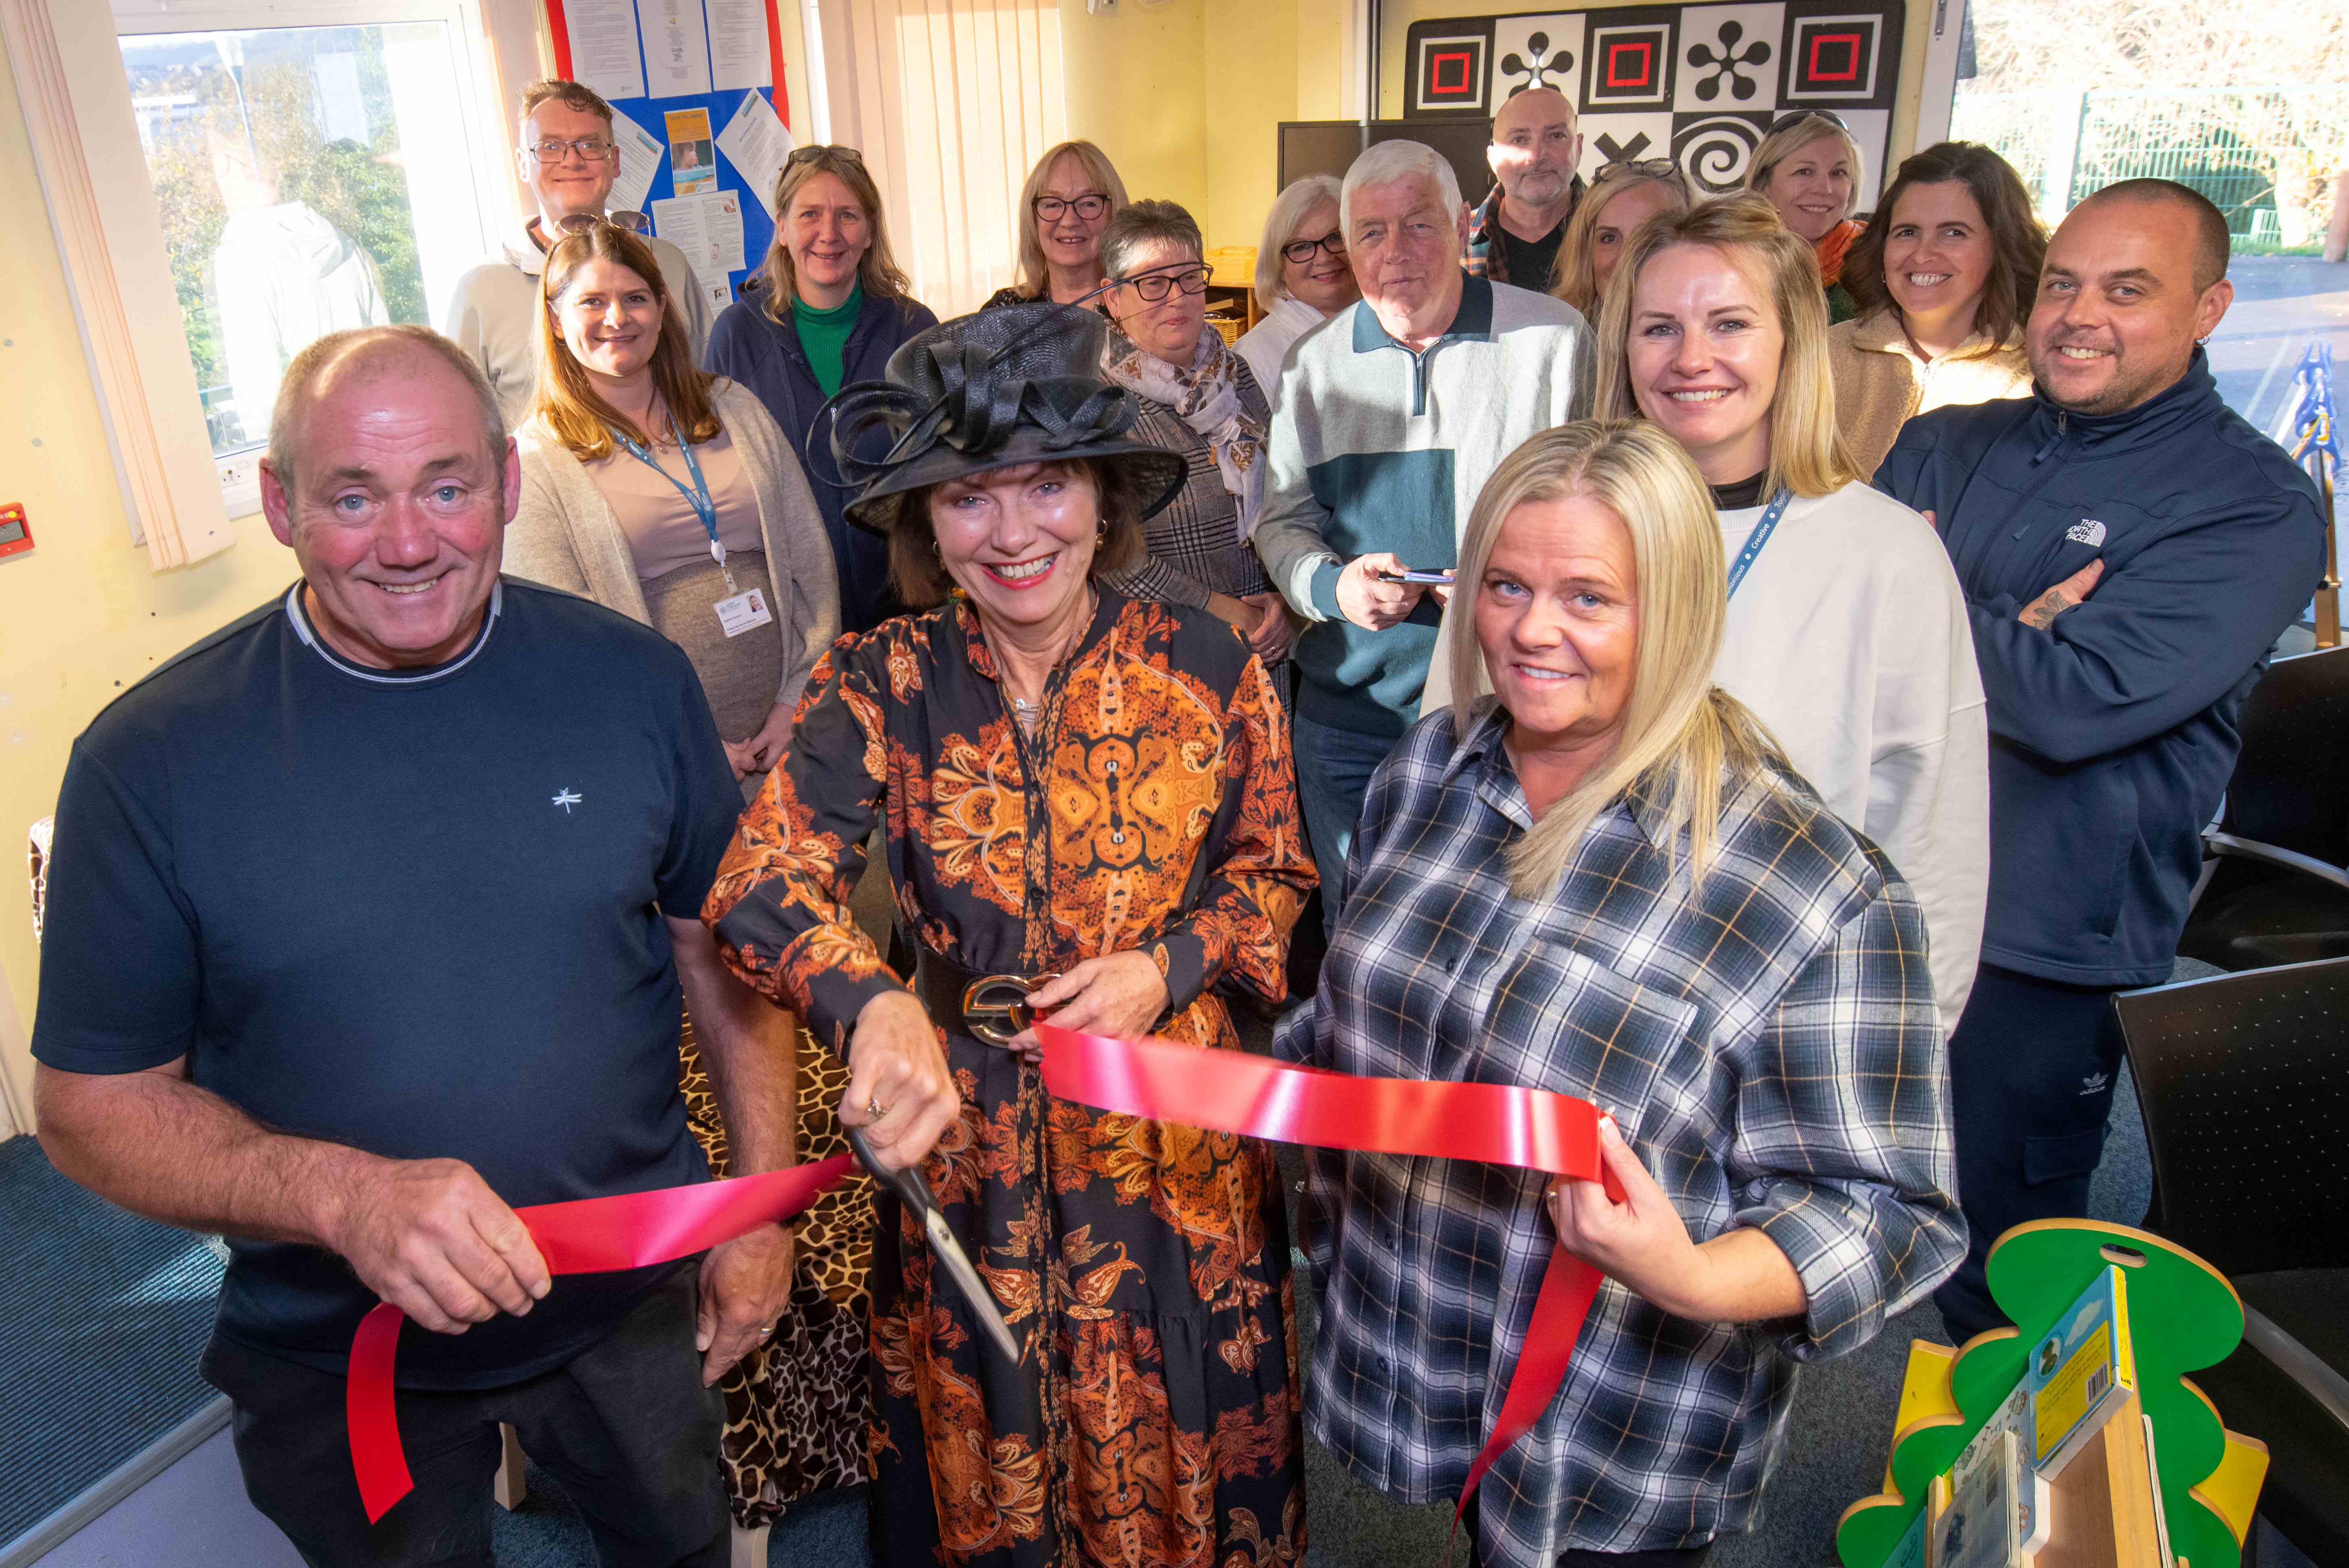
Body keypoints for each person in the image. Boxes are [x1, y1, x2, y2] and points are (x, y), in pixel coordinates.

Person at [30, 325, 794, 1568]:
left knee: (679, 1547)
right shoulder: (151, 761)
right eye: (352, 496)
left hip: (627, 1301)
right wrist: (343, 1195)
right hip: (337, 1345)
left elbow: (721, 950)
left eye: (446, 486)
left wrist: (759, 1209)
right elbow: (86, 1107)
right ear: (279, 503)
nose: (407, 542)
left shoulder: (633, 683)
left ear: (503, 480)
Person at [1279, 418, 1960, 1568]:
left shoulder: (1809, 886)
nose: (1530, 631)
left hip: (1613, 1418)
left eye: (1589, 598)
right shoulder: (1426, 768)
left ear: (1680, 612)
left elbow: (1890, 1214)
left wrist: (1686, 1273)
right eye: (1503, 584)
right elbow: (1358, 1017)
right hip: (1416, 1331)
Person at [702, 303, 1316, 1567]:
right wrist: (871, 1001)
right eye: (970, 498)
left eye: (1044, 487)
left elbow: (1276, 880)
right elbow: (757, 885)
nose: (1015, 532)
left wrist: (1168, 964)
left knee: (1180, 1437)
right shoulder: (882, 680)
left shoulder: (1209, 664)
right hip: (966, 1144)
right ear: (927, 524)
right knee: (988, 1449)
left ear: (1100, 497)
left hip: (1168, 1143)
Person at [1874, 179, 2328, 1341]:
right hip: (1873, 897)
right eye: (2065, 284)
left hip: (2041, 937)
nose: (2080, 315)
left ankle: (2025, 1525)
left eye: (2129, 291)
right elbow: (1834, 636)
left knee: (2004, 1273)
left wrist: (1920, 596)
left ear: (2209, 307)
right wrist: (1997, 630)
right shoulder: (1941, 442)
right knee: (1827, 1205)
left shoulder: (2255, 504)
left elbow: (2080, 704)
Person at [1597, 192, 1987, 1038]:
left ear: (1793, 343)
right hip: (1565, 992)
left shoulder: (1885, 555)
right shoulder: (1556, 526)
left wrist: (1912, 1041)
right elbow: (1455, 756)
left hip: (1775, 1012)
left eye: (1731, 324)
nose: (1692, 358)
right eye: (1659, 327)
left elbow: (1932, 836)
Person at [1256, 138, 1593, 943]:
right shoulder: (1312, 365)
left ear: (1461, 225)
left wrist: (1505, 581)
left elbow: (1599, 518)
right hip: (1349, 718)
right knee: (1362, 936)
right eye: (1370, 233)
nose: (1395, 253)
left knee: (1500, 936)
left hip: (1506, 716)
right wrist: (1332, 588)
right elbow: (1281, 520)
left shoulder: (1554, 341)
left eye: (1418, 224)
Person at [508, 221, 838, 788]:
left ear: (662, 308)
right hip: (659, 761)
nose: (618, 318)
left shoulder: (731, 406)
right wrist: (683, 742)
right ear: (557, 322)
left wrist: (797, 699)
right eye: (592, 302)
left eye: (635, 298)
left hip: (790, 739)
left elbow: (811, 558)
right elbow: (559, 641)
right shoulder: (539, 458)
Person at [705, 144, 940, 635]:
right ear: (783, 228)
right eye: (810, 214)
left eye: (848, 215)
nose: (829, 234)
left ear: (870, 230)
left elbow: (942, 470)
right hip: (790, 621)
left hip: (906, 610)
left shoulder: (914, 327)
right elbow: (719, 483)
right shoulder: (736, 335)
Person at [444, 79, 714, 427]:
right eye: (551, 146)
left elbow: (707, 384)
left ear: (614, 161)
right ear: (524, 164)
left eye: (589, 144)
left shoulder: (668, 265)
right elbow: (461, 428)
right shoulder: (481, 290)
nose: (572, 161)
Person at [1096, 198, 1295, 668]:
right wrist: (1227, 614)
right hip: (1163, 654)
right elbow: (1112, 555)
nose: (1177, 297)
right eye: (1152, 283)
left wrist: (1286, 604)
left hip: (1271, 643)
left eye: (1189, 277)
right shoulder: (1098, 402)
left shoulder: (1237, 374)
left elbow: (1288, 497)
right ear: (1112, 296)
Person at [1830, 142, 2044, 477]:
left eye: (1953, 233)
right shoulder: (1821, 355)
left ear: (2001, 246)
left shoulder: (2040, 372)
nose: (1922, 254)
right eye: (1907, 232)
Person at [205, 116, 389, 446]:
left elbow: (258, 393)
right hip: (371, 441)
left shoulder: (239, 259)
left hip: (310, 462)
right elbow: (386, 355)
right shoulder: (346, 247)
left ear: (224, 164)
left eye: (211, 161)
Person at [1233, 173, 1359, 393]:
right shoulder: (1255, 357)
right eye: (1301, 247)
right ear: (1278, 266)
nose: (1324, 258)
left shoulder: (1393, 328)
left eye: (1336, 238)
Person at [1745, 110, 1868, 323]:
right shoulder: (1730, 261)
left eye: (1838, 173)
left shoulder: (1875, 265)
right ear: (1764, 185)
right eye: (1804, 172)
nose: (1825, 189)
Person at [980, 140, 1129, 309]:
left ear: (1114, 212)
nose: (1069, 221)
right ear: (1033, 218)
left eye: (1088, 203)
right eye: (1052, 205)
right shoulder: (1004, 311)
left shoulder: (1145, 311)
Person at [1465, 87, 1586, 288]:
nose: (1537, 156)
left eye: (1556, 136)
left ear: (1579, 148)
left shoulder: (1618, 233)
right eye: (1519, 140)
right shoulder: (1453, 238)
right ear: (1493, 159)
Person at [1550, 158, 1691, 319]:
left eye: (1650, 236)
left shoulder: (1717, 342)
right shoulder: (1559, 340)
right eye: (1609, 238)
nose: (1626, 257)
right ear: (1585, 253)